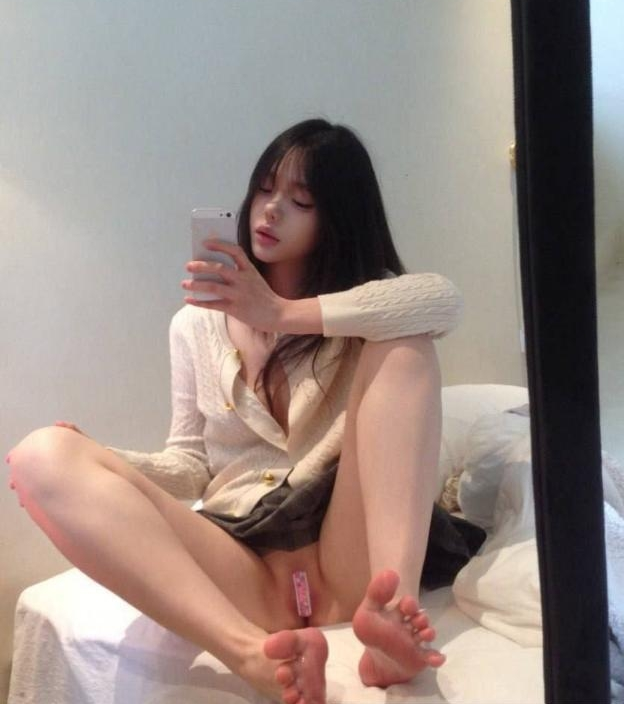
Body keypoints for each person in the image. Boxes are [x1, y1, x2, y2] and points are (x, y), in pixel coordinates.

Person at [7, 119, 463, 704]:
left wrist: (278, 313)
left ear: (337, 218)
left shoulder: (363, 311)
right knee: (41, 455)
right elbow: (191, 466)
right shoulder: (194, 324)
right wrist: (100, 460)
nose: (270, 210)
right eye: (265, 189)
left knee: (406, 347)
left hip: (348, 558)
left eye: (300, 201)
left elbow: (441, 302)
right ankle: (253, 655)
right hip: (247, 568)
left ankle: (391, 614)